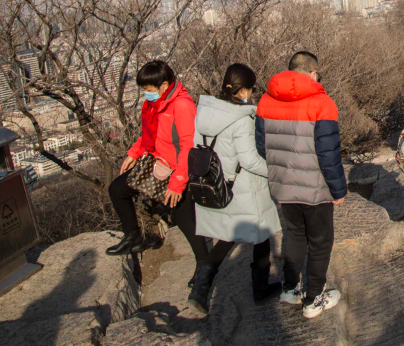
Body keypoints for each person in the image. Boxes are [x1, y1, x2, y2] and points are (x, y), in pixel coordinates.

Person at [257, 51, 347, 319]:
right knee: (320, 242)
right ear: (313, 73)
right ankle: (313, 298)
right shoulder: (322, 103)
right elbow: (329, 154)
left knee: (295, 235)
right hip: (315, 188)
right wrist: (338, 189)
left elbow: (262, 147)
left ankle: (289, 288)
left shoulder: (265, 100)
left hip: (283, 185)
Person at [187, 64, 283, 315]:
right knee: (261, 233)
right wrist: (275, 170)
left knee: (228, 235)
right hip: (242, 186)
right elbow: (249, 160)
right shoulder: (242, 118)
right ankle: (260, 288)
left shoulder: (204, 112)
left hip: (215, 183)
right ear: (245, 90)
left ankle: (200, 289)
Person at [106, 61, 208, 278]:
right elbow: (151, 134)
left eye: (149, 89)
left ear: (163, 85)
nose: (146, 94)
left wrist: (178, 182)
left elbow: (188, 146)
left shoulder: (181, 106)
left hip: (178, 170)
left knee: (184, 219)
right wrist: (135, 152)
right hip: (158, 163)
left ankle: (204, 265)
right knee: (118, 189)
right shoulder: (158, 104)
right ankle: (133, 236)